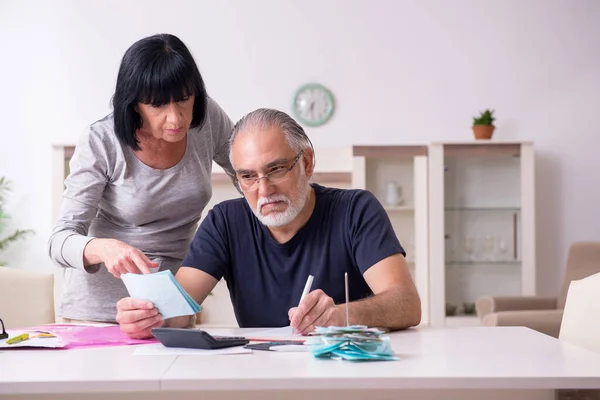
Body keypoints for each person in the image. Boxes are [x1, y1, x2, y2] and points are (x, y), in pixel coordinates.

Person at [116, 108, 422, 339]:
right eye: (248, 176)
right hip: (259, 378)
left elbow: (407, 304)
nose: (264, 190)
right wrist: (149, 318)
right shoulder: (226, 222)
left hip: (344, 374)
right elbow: (178, 311)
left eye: (276, 170)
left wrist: (341, 315)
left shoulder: (355, 210)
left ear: (307, 162)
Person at [48, 33, 235, 324]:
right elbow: (58, 242)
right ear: (135, 104)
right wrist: (105, 248)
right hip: (100, 313)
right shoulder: (102, 141)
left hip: (170, 308)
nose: (176, 118)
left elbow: (249, 176)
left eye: (184, 100)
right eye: (158, 105)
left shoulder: (207, 118)